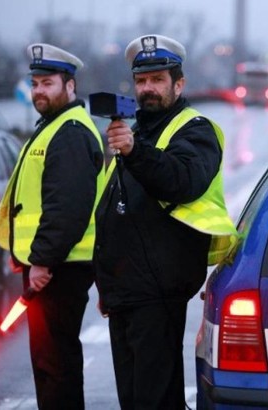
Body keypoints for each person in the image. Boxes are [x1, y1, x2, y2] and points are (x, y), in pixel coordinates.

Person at [94, 34, 236, 409]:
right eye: (141, 81)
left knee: (156, 400)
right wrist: (109, 287)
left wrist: (134, 151)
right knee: (135, 398)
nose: (148, 89)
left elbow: (182, 182)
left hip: (159, 290)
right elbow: (114, 210)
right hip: (127, 291)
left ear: (179, 83)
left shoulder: (195, 128)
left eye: (157, 80)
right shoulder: (137, 131)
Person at [0, 43, 105, 409]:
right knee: (50, 362)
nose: (39, 90)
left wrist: (42, 260)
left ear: (69, 86)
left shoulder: (70, 132)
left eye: (48, 83)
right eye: (36, 83)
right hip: (52, 264)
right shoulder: (55, 126)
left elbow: (67, 207)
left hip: (59, 268)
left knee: (55, 364)